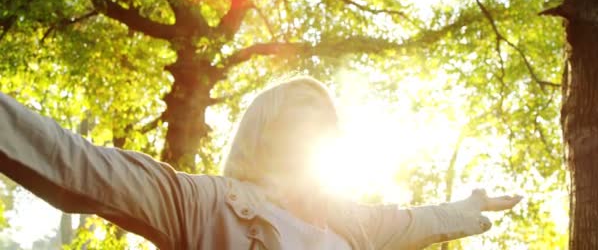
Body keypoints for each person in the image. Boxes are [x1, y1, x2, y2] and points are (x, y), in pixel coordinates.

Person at [0, 77, 522, 249]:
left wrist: (469, 208)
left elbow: (417, 221)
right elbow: (78, 166)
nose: (320, 128)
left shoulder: (352, 223)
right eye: (303, 115)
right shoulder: (206, 204)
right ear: (265, 134)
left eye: (327, 121)